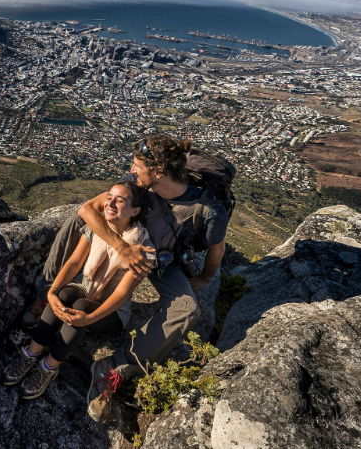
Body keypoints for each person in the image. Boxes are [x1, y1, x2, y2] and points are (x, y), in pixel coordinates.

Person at [21, 133, 228, 422]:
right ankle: (47, 294)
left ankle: (114, 366)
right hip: (129, 244)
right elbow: (88, 210)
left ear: (157, 172)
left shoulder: (207, 209)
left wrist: (206, 278)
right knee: (76, 219)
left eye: (136, 166)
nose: (131, 170)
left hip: (164, 261)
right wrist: (122, 247)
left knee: (188, 309)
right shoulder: (143, 189)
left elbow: (217, 246)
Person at [2, 181, 151, 399]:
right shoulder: (98, 227)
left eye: (120, 200)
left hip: (112, 312)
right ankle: (31, 352)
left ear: (135, 210)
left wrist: (89, 318)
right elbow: (73, 263)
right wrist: (52, 291)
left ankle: (49, 367)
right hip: (85, 287)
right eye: (109, 197)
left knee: (80, 305)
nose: (111, 203)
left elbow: (121, 295)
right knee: (64, 295)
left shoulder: (142, 247)